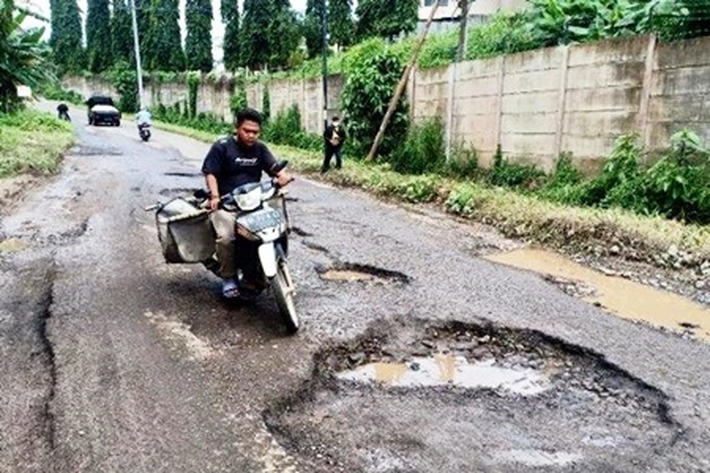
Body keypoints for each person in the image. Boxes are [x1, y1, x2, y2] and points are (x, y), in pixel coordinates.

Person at [201, 107, 293, 298]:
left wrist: (282, 176)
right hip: (228, 204)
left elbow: (274, 168)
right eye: (247, 131)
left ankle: (265, 268)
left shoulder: (260, 148)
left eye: (255, 132)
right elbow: (210, 172)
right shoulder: (222, 146)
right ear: (237, 128)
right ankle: (229, 277)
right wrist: (215, 196)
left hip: (254, 202)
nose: (251, 135)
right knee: (226, 237)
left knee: (276, 227)